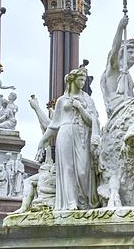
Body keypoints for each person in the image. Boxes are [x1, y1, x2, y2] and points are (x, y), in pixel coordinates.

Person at [38, 67, 100, 210]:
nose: (83, 82)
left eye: (84, 80)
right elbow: (54, 125)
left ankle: (83, 201)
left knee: (83, 170)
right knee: (68, 168)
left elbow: (93, 121)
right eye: (80, 79)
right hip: (65, 133)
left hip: (82, 134)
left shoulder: (87, 99)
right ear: (72, 80)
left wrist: (80, 108)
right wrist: (42, 141)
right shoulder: (61, 100)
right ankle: (71, 202)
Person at [100, 14, 134, 117]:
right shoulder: (115, 67)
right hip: (118, 106)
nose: (133, 56)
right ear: (123, 53)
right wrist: (120, 28)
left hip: (129, 105)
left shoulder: (126, 72)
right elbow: (115, 49)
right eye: (130, 52)